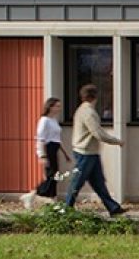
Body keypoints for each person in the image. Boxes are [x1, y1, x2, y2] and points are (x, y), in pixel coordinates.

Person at [63, 83, 125, 216]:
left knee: (98, 182)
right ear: (94, 97)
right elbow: (98, 133)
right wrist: (117, 141)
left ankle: (113, 207)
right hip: (85, 152)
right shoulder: (88, 112)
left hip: (90, 152)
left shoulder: (82, 110)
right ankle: (66, 208)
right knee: (77, 181)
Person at [21, 97, 70, 209]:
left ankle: (52, 199)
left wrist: (65, 153)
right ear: (50, 107)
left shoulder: (54, 120)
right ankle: (32, 195)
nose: (59, 108)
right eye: (57, 106)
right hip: (48, 149)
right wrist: (42, 154)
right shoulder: (44, 121)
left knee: (55, 175)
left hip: (55, 148)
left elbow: (57, 138)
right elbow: (40, 138)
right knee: (51, 175)